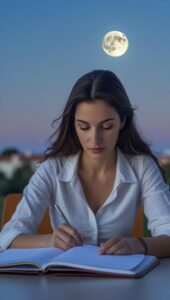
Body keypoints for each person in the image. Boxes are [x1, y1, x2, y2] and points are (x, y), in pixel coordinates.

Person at [0, 69, 170, 257]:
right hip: (62, 282)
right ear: (73, 124)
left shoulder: (142, 167)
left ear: (122, 121)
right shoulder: (52, 169)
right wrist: (49, 240)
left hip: (119, 282)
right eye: (84, 127)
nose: (94, 139)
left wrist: (139, 245)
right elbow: (8, 235)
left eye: (106, 126)